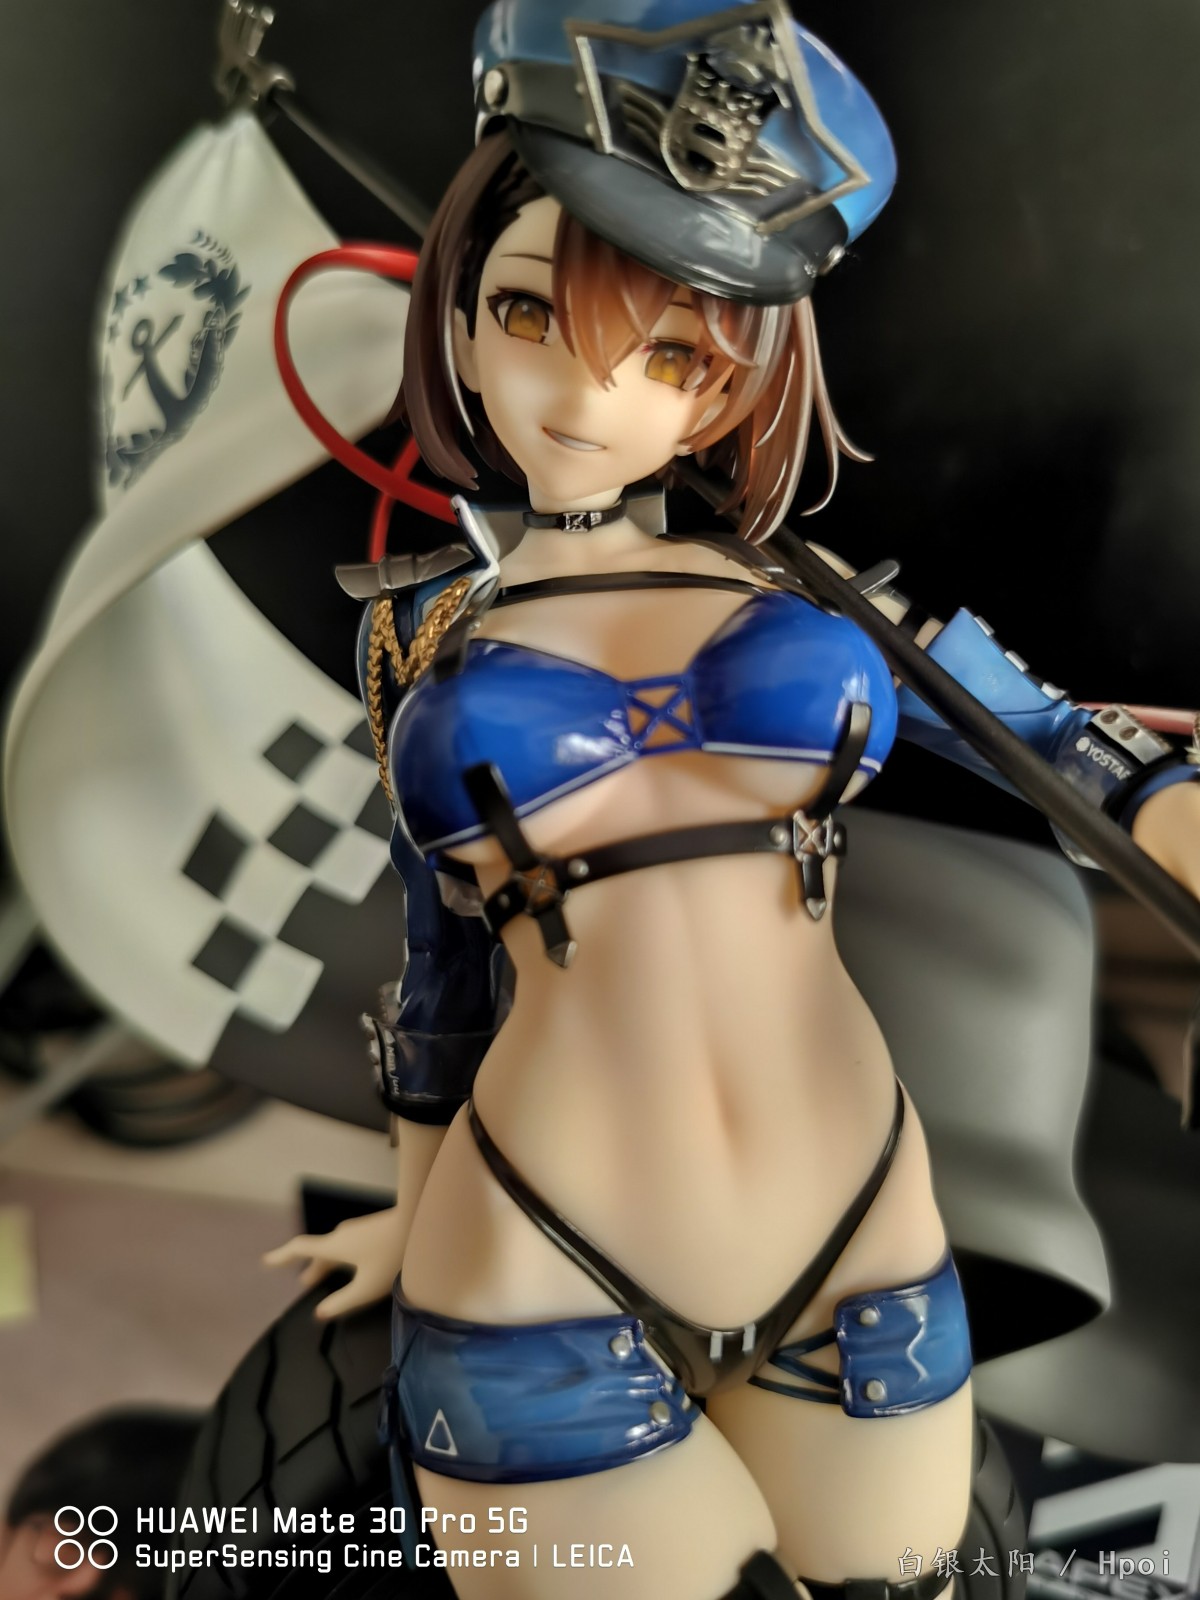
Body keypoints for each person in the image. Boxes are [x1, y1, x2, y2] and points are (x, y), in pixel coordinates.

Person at [266, 3, 1200, 1595]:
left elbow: (1080, 754)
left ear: (729, 385)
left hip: (861, 1255)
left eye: (671, 354)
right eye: (528, 312)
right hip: (537, 1262)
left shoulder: (814, 597)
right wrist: (412, 1214)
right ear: (455, 316)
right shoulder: (420, 631)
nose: (587, 396)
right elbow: (443, 976)